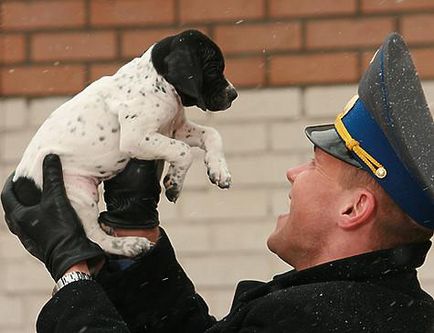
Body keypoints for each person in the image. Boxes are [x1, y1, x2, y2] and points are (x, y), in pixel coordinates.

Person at [2, 32, 434, 333]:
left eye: (314, 167)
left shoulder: (323, 316)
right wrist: (137, 231)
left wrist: (73, 276)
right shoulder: (374, 307)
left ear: (354, 209)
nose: (294, 174)